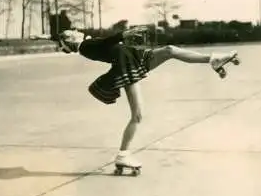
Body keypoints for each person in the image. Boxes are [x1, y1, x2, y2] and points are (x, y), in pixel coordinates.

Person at [59, 26, 240, 172]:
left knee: (170, 50)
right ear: (71, 40)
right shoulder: (86, 46)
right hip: (128, 66)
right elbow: (108, 41)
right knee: (137, 115)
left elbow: (98, 42)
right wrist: (123, 33)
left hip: (135, 59)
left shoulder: (86, 44)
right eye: (71, 32)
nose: (75, 30)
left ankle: (213, 60)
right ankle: (123, 155)